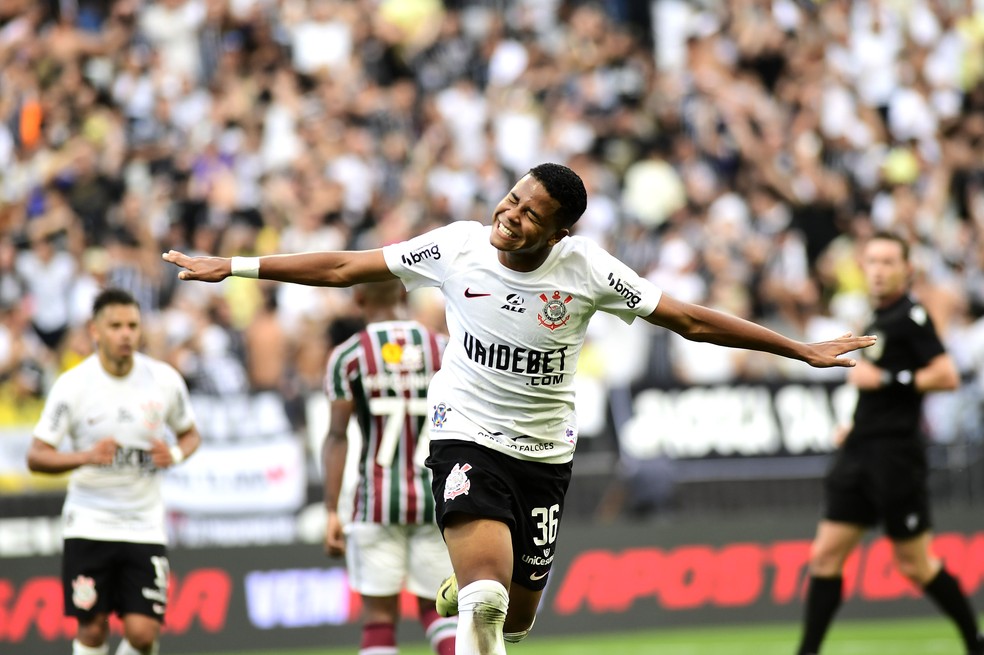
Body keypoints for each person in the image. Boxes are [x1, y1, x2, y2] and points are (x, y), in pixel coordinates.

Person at [164, 162, 875, 655]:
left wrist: (799, 348)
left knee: (518, 614)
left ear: (559, 232)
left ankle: (463, 584)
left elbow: (687, 319)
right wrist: (238, 266)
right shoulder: (457, 247)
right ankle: (471, 588)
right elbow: (349, 266)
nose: (510, 215)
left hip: (544, 456)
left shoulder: (589, 270)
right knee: (487, 607)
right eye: (511, 198)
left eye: (531, 213)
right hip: (464, 437)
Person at [796, 232, 984, 655]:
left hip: (895, 457)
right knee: (825, 556)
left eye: (887, 262)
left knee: (915, 565)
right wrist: (856, 424)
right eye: (872, 261)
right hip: (860, 449)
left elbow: (946, 375)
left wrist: (885, 379)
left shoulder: (910, 316)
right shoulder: (877, 318)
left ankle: (975, 642)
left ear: (906, 270)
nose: (878, 270)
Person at [26, 288, 201, 655]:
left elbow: (190, 435)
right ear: (95, 331)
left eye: (133, 325)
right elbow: (37, 456)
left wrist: (174, 454)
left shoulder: (164, 380)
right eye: (116, 325)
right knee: (92, 628)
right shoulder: (72, 386)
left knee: (142, 634)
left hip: (144, 522)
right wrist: (87, 456)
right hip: (89, 521)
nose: (126, 334)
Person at [322, 280, 456, 655]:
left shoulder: (349, 357)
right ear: (403, 295)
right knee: (441, 610)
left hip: (376, 501)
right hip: (436, 500)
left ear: (358, 298)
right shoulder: (443, 349)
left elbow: (337, 435)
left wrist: (332, 509)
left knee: (379, 617)